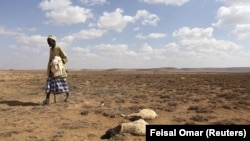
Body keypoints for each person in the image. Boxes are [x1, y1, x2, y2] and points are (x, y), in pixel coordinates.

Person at [43, 34, 70, 105]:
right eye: (47, 42)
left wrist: (58, 61)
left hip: (60, 70)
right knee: (49, 84)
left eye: (49, 41)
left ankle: (68, 97)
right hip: (52, 70)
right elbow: (50, 60)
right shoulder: (50, 49)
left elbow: (66, 58)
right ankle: (47, 99)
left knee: (64, 84)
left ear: (53, 41)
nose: (48, 43)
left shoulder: (58, 48)